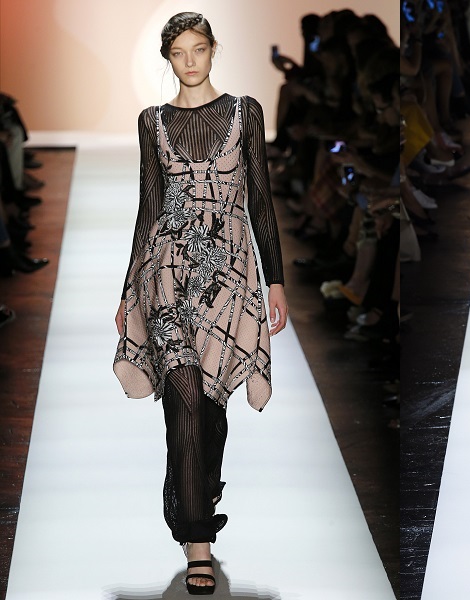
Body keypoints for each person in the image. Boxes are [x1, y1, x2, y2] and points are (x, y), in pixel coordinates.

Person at [112, 12, 287, 595]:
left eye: (199, 50)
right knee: (183, 398)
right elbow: (148, 208)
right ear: (167, 58)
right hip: (166, 275)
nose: (190, 62)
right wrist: (128, 289)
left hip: (230, 278)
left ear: (214, 50)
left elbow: (260, 201)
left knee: (209, 408)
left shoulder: (244, 113)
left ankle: (192, 491)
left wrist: (276, 281)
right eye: (179, 53)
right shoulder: (152, 122)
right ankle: (198, 542)